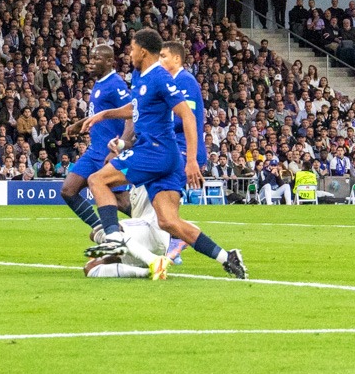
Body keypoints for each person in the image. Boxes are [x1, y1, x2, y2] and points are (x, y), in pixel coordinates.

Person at [82, 29, 247, 279]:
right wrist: (104, 114)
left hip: (155, 152)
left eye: (132, 49)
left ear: (143, 51)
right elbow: (135, 108)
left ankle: (114, 237)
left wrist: (191, 160)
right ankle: (227, 257)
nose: (129, 54)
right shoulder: (139, 75)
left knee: (97, 180)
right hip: (164, 156)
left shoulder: (160, 78)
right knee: (169, 221)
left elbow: (188, 116)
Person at [61, 44, 133, 233]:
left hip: (109, 151)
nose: (90, 62)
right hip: (95, 151)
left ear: (110, 61)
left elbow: (132, 115)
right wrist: (80, 124)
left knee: (122, 202)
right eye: (90, 58)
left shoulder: (116, 84)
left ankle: (166, 232)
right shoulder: (100, 83)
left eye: (96, 59)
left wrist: (119, 147)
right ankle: (100, 230)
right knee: (68, 190)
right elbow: (102, 114)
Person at [158, 41, 206, 264]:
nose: (160, 61)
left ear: (177, 59)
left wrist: (192, 158)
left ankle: (178, 237)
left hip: (183, 149)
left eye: (163, 56)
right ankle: (172, 239)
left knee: (163, 198)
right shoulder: (170, 82)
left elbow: (186, 118)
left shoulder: (185, 81)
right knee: (159, 199)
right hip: (173, 148)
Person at [83, 186, 171, 280]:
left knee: (102, 231)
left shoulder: (151, 175)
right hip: (143, 243)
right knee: (90, 268)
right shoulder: (134, 184)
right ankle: (149, 271)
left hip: (151, 229)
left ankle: (153, 260)